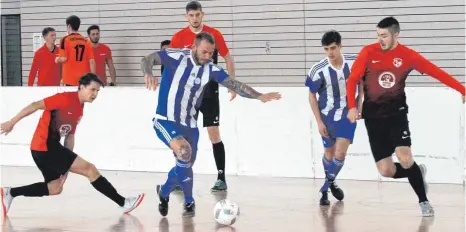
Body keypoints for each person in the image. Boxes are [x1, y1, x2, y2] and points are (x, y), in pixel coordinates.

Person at [140, 32, 281, 217]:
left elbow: (234, 84)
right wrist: (148, 72)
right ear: (194, 47)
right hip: (165, 119)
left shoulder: (211, 69)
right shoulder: (176, 56)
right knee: (184, 152)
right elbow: (148, 59)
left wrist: (258, 96)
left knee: (185, 165)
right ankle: (189, 202)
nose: (207, 56)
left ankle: (164, 191)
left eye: (211, 53)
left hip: (190, 124)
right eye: (204, 52)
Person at [346, 16, 466, 217]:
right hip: (374, 118)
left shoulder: (408, 55)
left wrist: (461, 89)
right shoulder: (368, 52)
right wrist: (351, 106)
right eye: (378, 35)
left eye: (384, 36)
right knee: (385, 170)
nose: (380, 40)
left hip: (396, 114)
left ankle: (424, 201)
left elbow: (436, 72)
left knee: (405, 157)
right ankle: (418, 172)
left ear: (396, 34)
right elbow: (352, 80)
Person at [0, 73, 145, 216]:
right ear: (81, 87)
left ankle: (10, 192)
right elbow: (35, 105)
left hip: (42, 149)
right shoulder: (64, 98)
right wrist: (11, 122)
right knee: (90, 170)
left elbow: (70, 136)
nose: (95, 94)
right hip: (45, 146)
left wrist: (66, 168)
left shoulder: (80, 108)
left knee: (55, 188)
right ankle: (123, 202)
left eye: (98, 91)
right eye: (92, 89)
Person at [169, 1, 238, 192]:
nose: (195, 19)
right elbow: (171, 64)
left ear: (202, 14)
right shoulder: (178, 37)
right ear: (186, 17)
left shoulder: (214, 34)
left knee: (213, 133)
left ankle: (221, 178)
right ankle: (179, 178)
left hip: (209, 92)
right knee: (182, 137)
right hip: (187, 94)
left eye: (197, 15)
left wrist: (231, 84)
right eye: (191, 15)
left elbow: (228, 57)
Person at [305, 30, 364, 206]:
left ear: (340, 46)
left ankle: (324, 188)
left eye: (333, 48)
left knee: (340, 153)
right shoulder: (318, 69)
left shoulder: (355, 62)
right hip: (327, 116)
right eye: (326, 49)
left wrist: (359, 106)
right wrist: (319, 122)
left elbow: (362, 85)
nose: (330, 52)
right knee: (329, 155)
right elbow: (311, 96)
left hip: (348, 114)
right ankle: (332, 183)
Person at [56, 15, 96, 86]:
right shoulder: (86, 40)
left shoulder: (64, 39)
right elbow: (92, 61)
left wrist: (57, 59)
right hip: (84, 79)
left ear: (68, 26)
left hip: (69, 79)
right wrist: (93, 78)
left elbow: (63, 58)